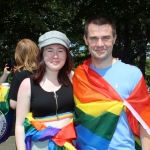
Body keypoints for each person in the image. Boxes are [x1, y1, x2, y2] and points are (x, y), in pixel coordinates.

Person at [73, 14, 150, 150]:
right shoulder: (78, 76)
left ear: (114, 39)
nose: (100, 44)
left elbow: (145, 121)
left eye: (106, 38)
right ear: (86, 40)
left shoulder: (132, 74)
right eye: (94, 38)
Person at [15, 30, 76, 150]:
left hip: (72, 144)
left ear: (66, 55)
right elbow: (20, 125)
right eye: (50, 50)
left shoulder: (75, 79)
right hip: (40, 146)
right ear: (42, 54)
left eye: (60, 50)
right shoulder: (27, 84)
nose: (55, 56)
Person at [9, 39, 39, 109]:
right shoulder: (45, 71)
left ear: (18, 54)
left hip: (26, 117)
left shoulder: (19, 74)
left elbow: (13, 104)